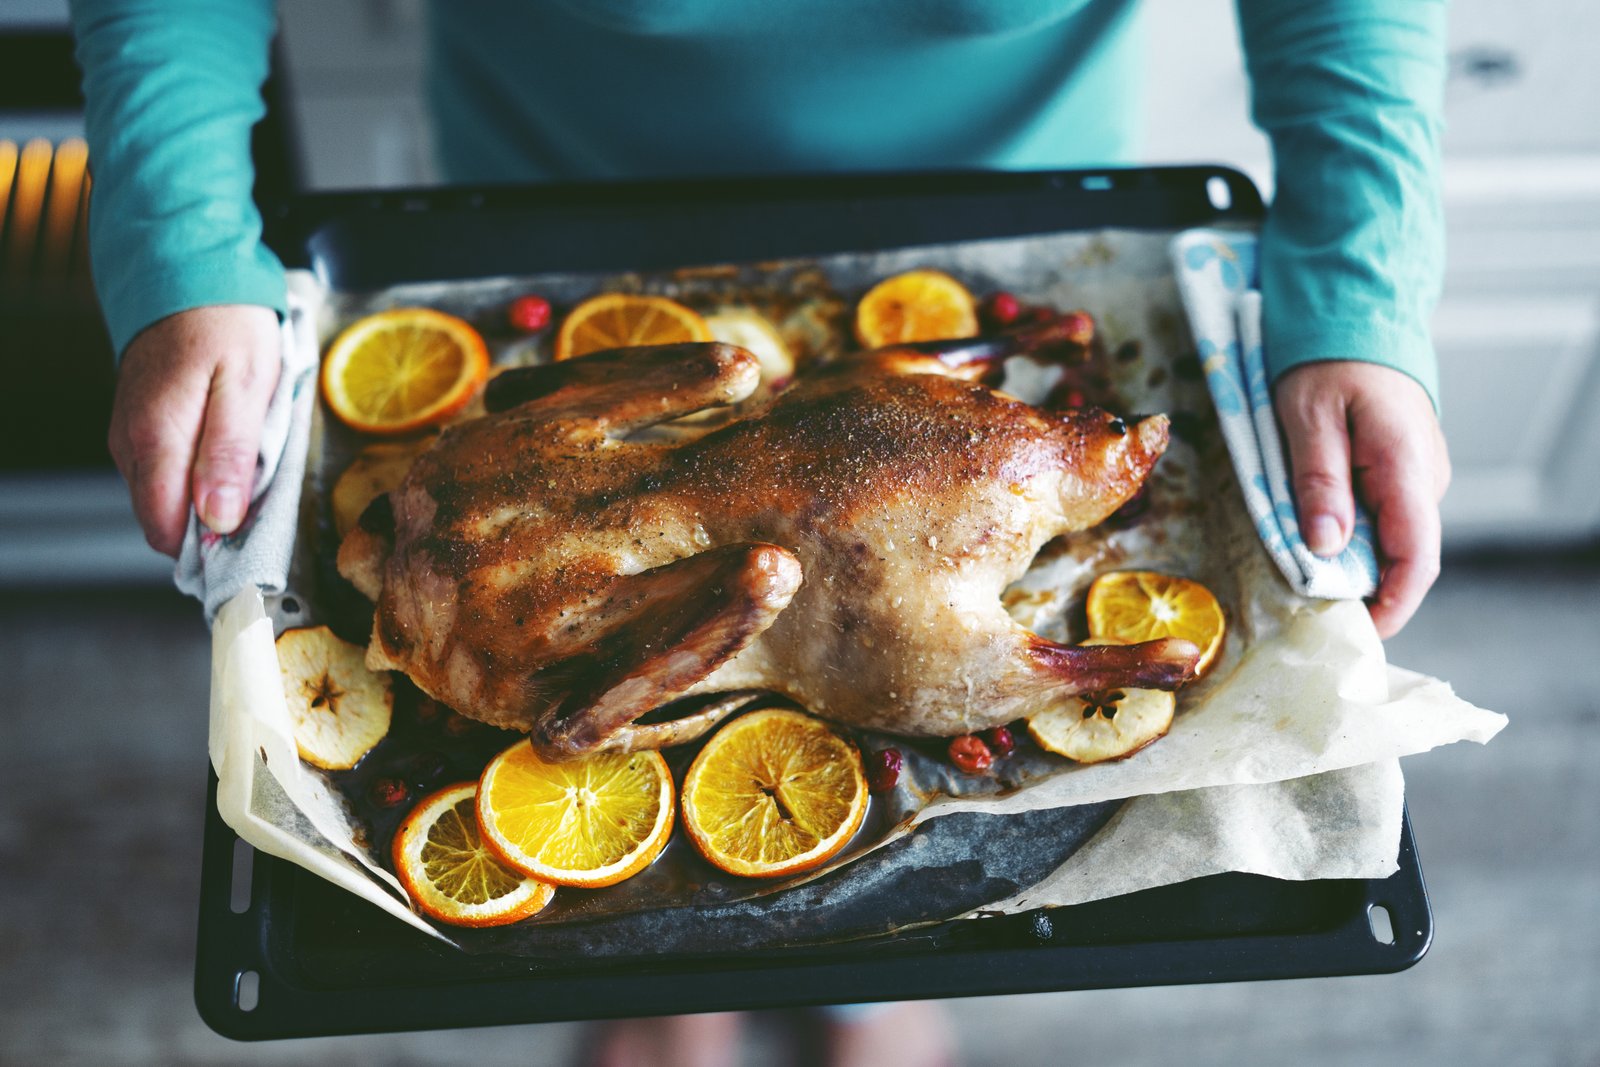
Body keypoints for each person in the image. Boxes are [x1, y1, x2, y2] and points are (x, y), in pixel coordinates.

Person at [69, 1, 1451, 1063]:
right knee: (787, 636)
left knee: (849, 732)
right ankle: (685, 999)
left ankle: (873, 985)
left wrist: (1356, 283)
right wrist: (184, 246)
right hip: (540, 176)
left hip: (1019, 181)